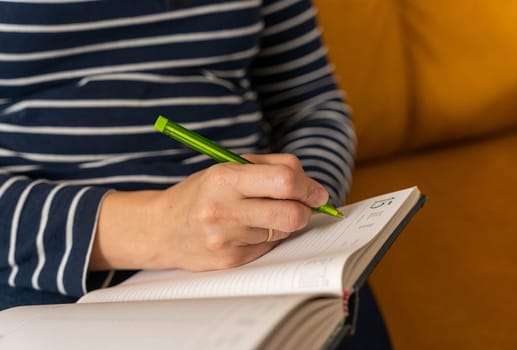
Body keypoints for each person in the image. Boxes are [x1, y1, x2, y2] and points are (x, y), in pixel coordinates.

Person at [0, 0, 391, 348]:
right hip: (36, 263)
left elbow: (309, 104)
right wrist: (158, 227)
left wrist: (298, 202)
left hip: (263, 248)